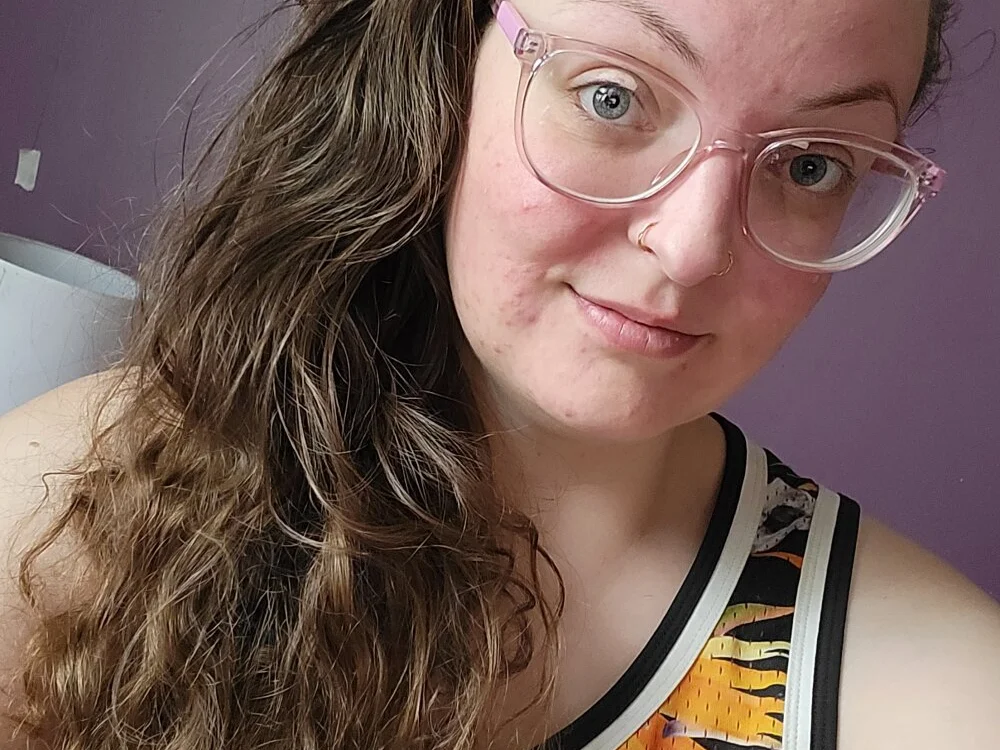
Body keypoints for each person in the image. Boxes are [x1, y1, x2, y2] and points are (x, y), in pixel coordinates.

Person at [1, 0, 998, 747]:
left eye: (812, 163)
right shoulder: (67, 518)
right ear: (444, 66)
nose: (693, 248)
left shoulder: (931, 694)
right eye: (611, 97)